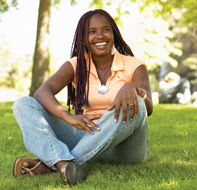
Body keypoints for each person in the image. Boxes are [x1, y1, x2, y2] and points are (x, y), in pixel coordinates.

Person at [12, 9, 153, 185]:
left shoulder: (134, 65)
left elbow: (148, 108)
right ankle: (65, 164)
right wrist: (68, 116)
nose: (99, 36)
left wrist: (133, 88)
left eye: (105, 30)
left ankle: (53, 164)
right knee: (23, 104)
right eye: (92, 32)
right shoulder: (76, 65)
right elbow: (42, 92)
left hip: (125, 148)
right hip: (88, 136)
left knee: (137, 103)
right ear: (83, 38)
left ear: (114, 33)